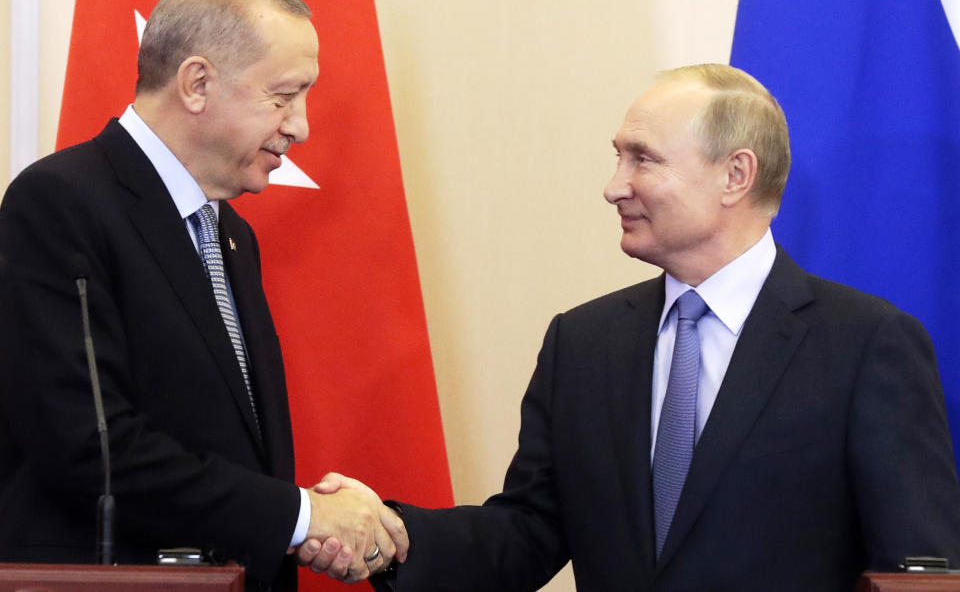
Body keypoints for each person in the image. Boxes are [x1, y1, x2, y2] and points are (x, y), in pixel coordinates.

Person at [312, 63, 960, 591]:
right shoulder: (583, 344)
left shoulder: (865, 342)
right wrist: (389, 535)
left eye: (642, 159)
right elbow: (527, 532)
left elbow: (919, 568)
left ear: (735, 174)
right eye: (618, 158)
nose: (613, 186)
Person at [0, 0, 405, 592]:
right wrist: (300, 516)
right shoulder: (59, 203)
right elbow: (92, 450)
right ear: (196, 83)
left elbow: (228, 451)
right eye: (283, 95)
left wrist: (300, 524)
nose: (301, 126)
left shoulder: (232, 235)